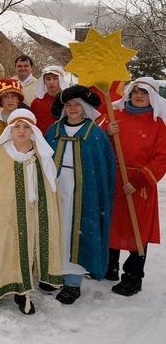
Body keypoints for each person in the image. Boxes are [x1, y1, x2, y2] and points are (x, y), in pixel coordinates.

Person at [0, 109, 62, 315]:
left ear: (33, 130)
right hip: (4, 215)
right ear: (10, 129)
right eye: (17, 126)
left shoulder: (41, 155)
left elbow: (49, 188)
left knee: (26, 251)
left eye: (26, 126)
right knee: (2, 247)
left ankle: (22, 293)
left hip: (32, 213)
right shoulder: (1, 152)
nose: (21, 131)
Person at [46, 85, 116, 304]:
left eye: (77, 104)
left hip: (84, 195)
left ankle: (73, 282)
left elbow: (103, 170)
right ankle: (54, 272)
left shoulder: (95, 135)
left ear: (85, 108)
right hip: (56, 192)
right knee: (55, 230)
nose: (73, 108)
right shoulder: (53, 131)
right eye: (68, 105)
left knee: (77, 234)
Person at [105, 77, 166, 296]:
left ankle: (133, 276)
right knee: (112, 223)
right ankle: (108, 266)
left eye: (144, 92)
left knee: (136, 229)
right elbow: (99, 140)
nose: (139, 96)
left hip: (139, 184)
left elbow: (162, 157)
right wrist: (107, 132)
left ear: (152, 97)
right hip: (115, 178)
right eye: (135, 91)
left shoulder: (158, 122)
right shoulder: (116, 116)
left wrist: (140, 180)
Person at [30, 65, 68, 134]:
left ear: (61, 80)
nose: (51, 82)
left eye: (55, 78)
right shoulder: (36, 103)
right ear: (44, 81)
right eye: (48, 79)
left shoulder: (69, 101)